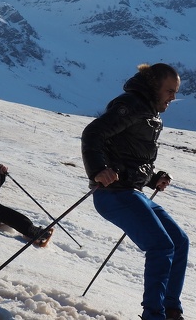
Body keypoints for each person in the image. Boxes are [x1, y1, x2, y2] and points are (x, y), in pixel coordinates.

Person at [81, 63, 189, 320]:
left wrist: (154, 178)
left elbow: (130, 156)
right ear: (154, 87)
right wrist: (98, 170)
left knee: (179, 242)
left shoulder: (150, 112)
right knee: (161, 246)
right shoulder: (130, 105)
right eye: (170, 91)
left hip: (132, 191)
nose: (174, 97)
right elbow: (93, 133)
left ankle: (170, 310)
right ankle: (154, 315)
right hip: (113, 193)